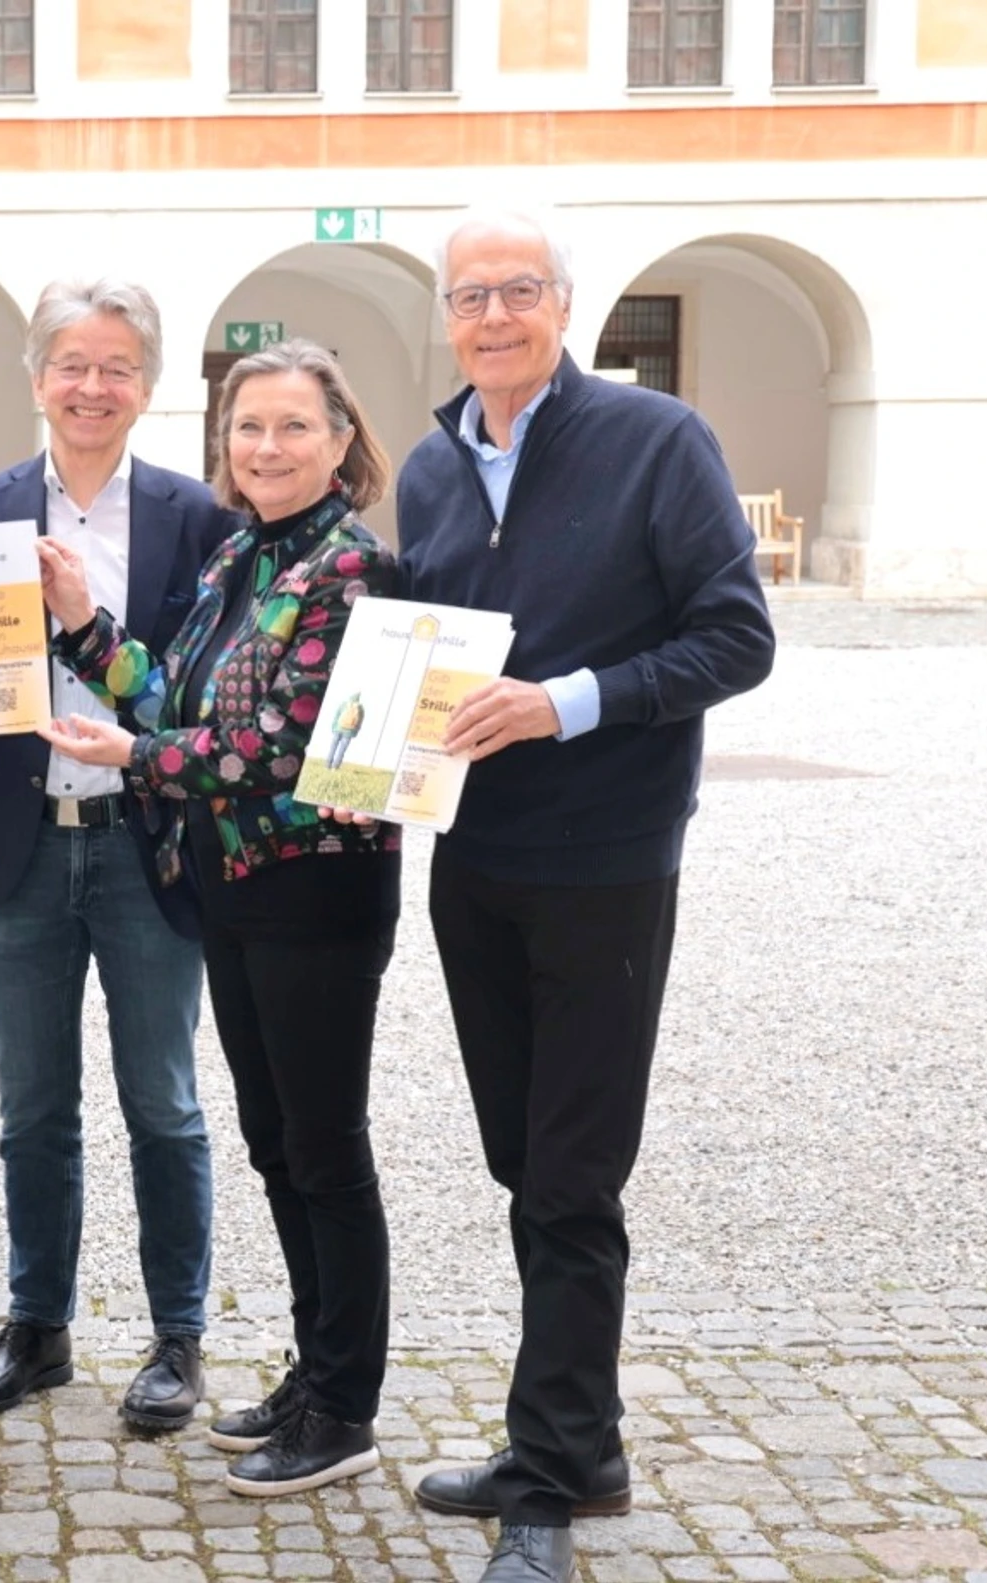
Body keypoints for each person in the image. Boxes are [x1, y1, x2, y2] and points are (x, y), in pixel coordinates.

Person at [394, 212, 774, 1583]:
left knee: (569, 1173)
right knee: (522, 1158)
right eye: (469, 295)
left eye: (517, 291)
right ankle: (582, 1431)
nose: (492, 314)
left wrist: (564, 704)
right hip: (472, 859)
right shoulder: (435, 468)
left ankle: (552, 1470)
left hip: (607, 861)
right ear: (447, 318)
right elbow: (415, 643)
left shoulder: (655, 439)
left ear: (564, 303)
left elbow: (738, 635)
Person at [37, 339, 402, 1498]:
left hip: (319, 890)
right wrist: (84, 628)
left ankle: (345, 1404)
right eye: (249, 429)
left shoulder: (352, 570)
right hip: (232, 885)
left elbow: (283, 749)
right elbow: (170, 692)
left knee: (328, 1150)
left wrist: (137, 756)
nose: (267, 448)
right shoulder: (240, 552)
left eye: (294, 428)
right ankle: (314, 1368)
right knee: (276, 1142)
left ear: (340, 442)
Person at [0, 279, 233, 1432]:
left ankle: (176, 1337)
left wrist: (91, 616)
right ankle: (38, 1327)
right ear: (37, 378)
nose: (94, 386)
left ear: (149, 384)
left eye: (118, 365)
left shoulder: (196, 517)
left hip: (147, 848)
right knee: (32, 1106)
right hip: (22, 844)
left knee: (164, 1102)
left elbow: (197, 697)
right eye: (73, 364)